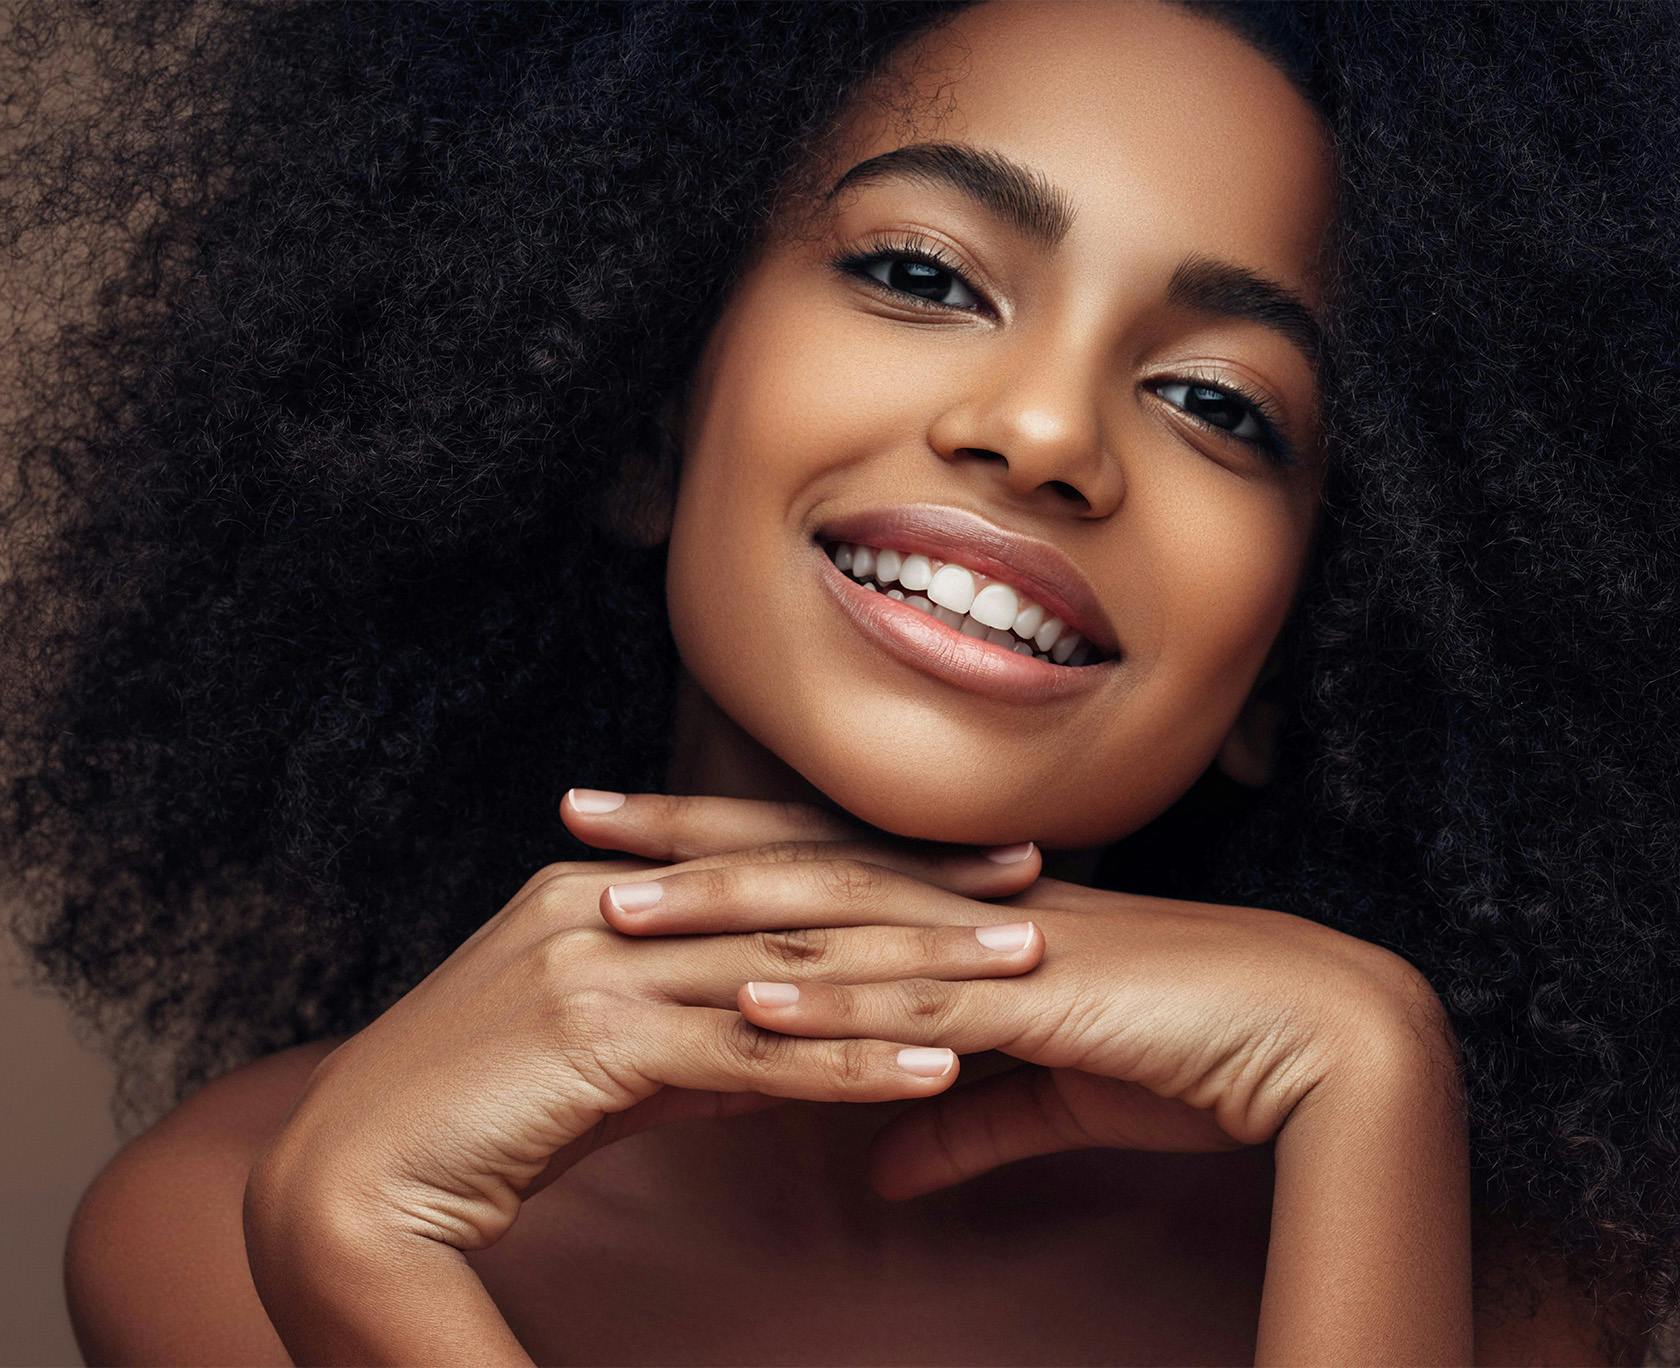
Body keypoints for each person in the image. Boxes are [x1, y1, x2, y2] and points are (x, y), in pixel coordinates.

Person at [2, 0, 1675, 1362]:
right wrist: (361, 1254)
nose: (1042, 437)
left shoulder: (1468, 1263)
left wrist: (1366, 1066)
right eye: (921, 275)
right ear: (647, 421)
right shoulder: (242, 1215)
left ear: (1302, 656)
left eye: (1221, 405)